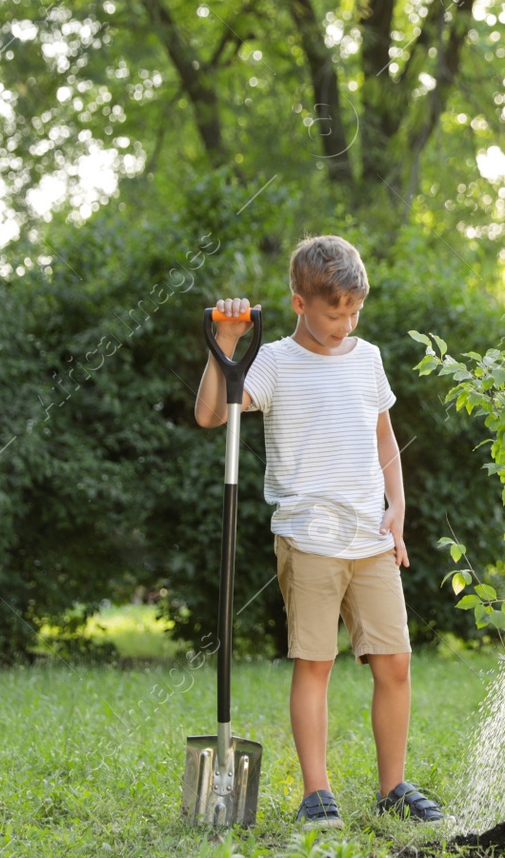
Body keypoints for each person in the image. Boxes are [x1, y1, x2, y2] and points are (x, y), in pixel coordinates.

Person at [195, 234, 444, 829]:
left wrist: (398, 509)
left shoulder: (368, 357)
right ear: (299, 304)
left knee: (396, 663)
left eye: (354, 311)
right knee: (316, 664)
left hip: (372, 539)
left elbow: (385, 438)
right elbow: (210, 414)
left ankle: (393, 786)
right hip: (308, 540)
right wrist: (224, 346)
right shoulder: (276, 361)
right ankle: (317, 792)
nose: (346, 322)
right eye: (336, 312)